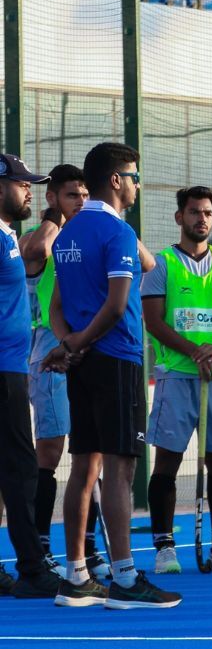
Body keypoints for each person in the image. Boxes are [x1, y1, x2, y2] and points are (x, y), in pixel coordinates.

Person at [43, 142, 179, 608]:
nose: (139, 184)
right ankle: (124, 579)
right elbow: (119, 304)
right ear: (117, 180)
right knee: (121, 470)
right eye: (134, 176)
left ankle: (76, 574)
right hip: (116, 358)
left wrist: (68, 345)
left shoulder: (68, 233)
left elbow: (57, 306)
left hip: (83, 363)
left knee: (84, 467)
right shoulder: (117, 233)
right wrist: (75, 345)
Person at [141, 186, 212, 572]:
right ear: (179, 217)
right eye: (194, 212)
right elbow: (153, 321)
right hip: (177, 376)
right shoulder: (161, 265)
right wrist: (194, 351)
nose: (201, 219)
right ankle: (164, 548)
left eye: (207, 212)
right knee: (167, 464)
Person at [17, 163, 102, 578]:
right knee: (49, 450)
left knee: (93, 447)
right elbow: (37, 252)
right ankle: (39, 546)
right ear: (52, 198)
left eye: (85, 194)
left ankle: (88, 545)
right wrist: (56, 218)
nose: (81, 201)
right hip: (50, 349)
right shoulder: (38, 238)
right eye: (72, 194)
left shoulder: (93, 237)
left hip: (89, 347)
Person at [0, 154, 62, 598]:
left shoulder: (6, 236)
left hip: (11, 367)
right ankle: (33, 571)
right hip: (2, 371)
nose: (28, 191)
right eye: (21, 184)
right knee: (22, 469)